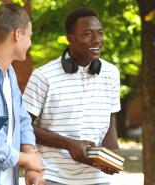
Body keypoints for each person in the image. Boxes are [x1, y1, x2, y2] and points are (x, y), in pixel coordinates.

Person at [23, 8, 121, 185]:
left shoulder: (112, 73)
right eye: (88, 34)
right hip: (53, 176)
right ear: (70, 39)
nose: (97, 40)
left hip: (96, 178)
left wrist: (113, 151)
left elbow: (110, 118)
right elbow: (23, 127)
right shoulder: (43, 76)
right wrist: (68, 144)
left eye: (100, 33)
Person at [0, 3, 45, 185]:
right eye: (29, 36)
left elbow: (23, 120)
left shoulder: (10, 73)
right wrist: (28, 160)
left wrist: (30, 158)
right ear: (17, 34)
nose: (30, 43)